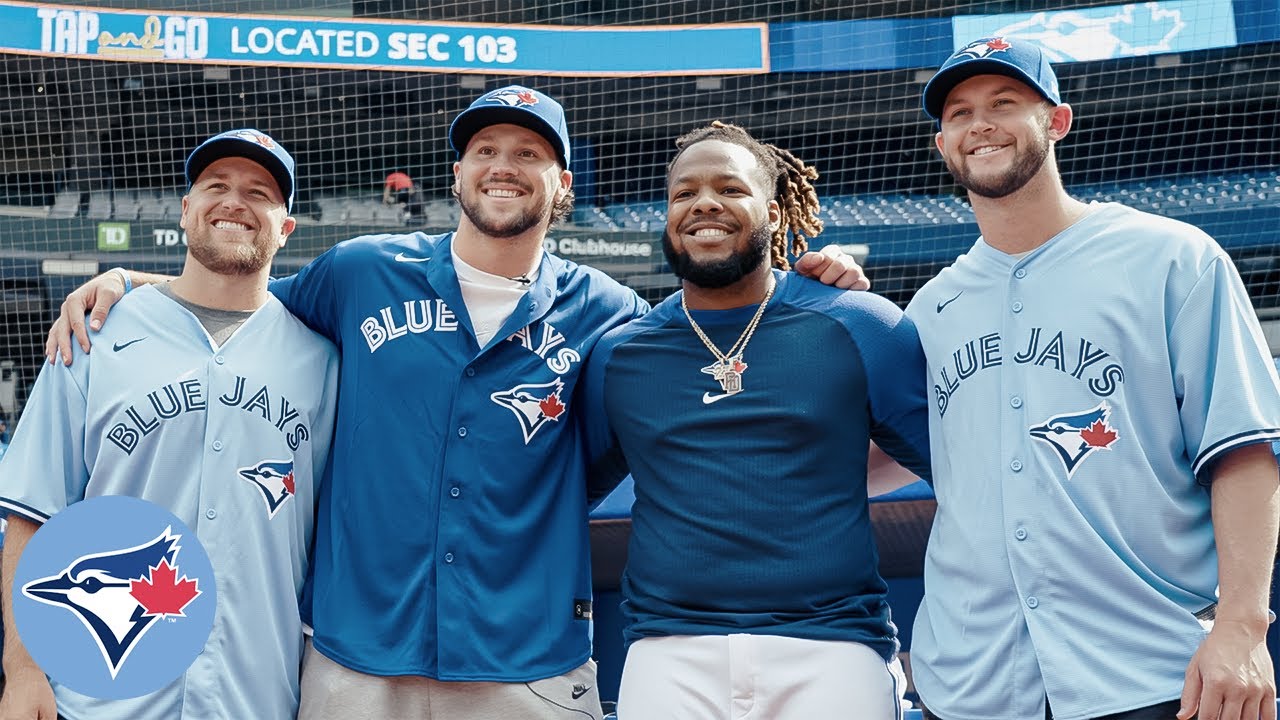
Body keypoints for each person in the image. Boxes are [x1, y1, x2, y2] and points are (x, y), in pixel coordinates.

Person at [41, 87, 868, 720]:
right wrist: (130, 284)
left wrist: (816, 287)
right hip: (354, 662)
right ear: (459, 173)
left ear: (563, 183)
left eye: (528, 153)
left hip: (525, 665)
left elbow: (724, 328)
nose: (503, 164)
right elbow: (240, 289)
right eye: (485, 148)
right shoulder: (360, 271)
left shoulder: (609, 312)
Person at [905, 37, 1280, 720]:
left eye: (1004, 103)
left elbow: (1245, 450)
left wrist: (1243, 627)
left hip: (1153, 671)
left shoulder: (1172, 258)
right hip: (974, 685)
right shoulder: (931, 307)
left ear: (1056, 121)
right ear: (941, 143)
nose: (978, 124)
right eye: (958, 113)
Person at [580, 121, 931, 719]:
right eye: (683, 193)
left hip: (834, 647)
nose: (704, 203)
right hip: (670, 651)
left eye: (729, 189)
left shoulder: (860, 323)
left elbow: (961, 470)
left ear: (772, 210)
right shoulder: (620, 354)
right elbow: (557, 496)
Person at [0, 129, 339, 720]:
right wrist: (24, 667)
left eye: (259, 192)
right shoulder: (93, 335)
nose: (235, 201)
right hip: (102, 696)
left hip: (255, 696)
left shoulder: (323, 360)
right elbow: (35, 513)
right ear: (186, 211)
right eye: (217, 186)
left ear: (286, 228)